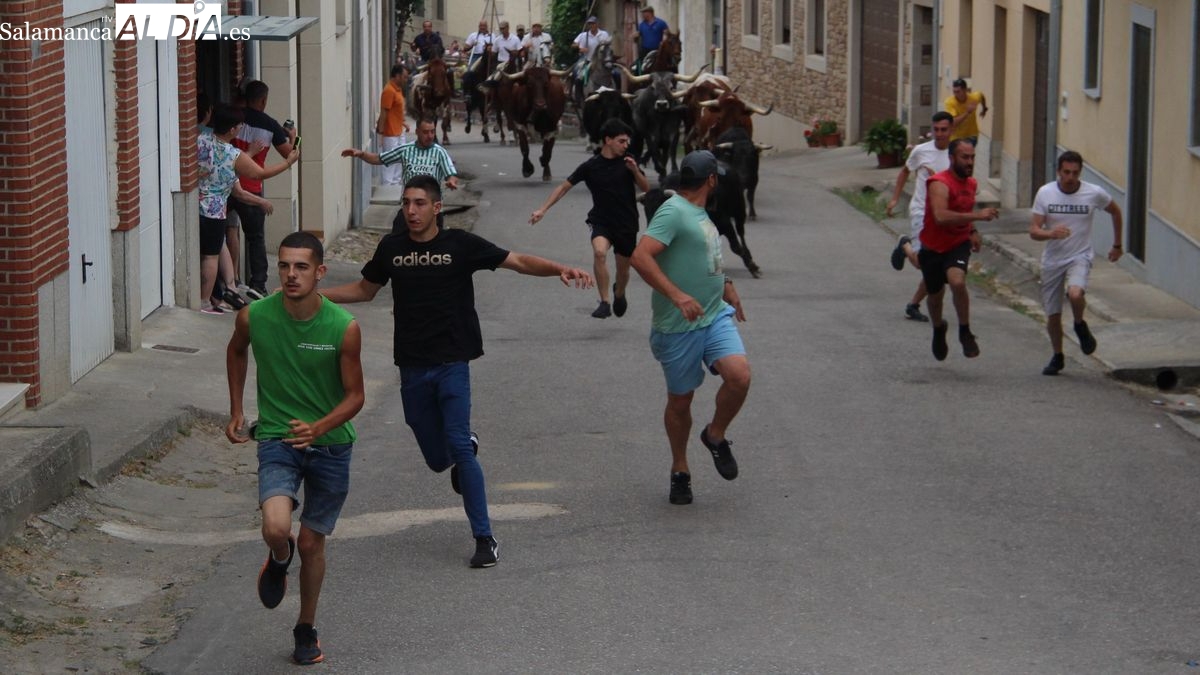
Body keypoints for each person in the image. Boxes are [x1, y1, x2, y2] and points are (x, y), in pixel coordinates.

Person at [319, 175, 594, 568]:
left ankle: (484, 537)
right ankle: (463, 445)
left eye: (419, 204)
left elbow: (515, 260)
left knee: (461, 450)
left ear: (437, 208)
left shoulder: (460, 246)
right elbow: (365, 290)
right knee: (437, 459)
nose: (411, 211)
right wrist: (315, 294)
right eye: (406, 203)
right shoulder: (392, 248)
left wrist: (558, 269)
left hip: (452, 363)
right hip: (412, 366)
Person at [225, 231, 365, 666]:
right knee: (275, 526)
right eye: (284, 265)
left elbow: (355, 396)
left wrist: (319, 427)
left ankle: (306, 627)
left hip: (331, 446)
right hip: (278, 439)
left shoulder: (343, 327)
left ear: (320, 272)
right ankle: (277, 557)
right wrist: (236, 410)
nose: (290, 275)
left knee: (311, 544)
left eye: (301, 267)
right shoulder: (255, 316)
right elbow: (236, 352)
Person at [630, 150, 751, 506]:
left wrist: (726, 281)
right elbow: (640, 256)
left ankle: (715, 435)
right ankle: (680, 470)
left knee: (739, 375)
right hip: (677, 325)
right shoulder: (673, 210)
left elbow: (703, 257)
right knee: (680, 402)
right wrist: (677, 296)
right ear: (711, 180)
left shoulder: (699, 214)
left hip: (714, 314)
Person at [531, 119, 649, 319]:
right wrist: (542, 209)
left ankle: (619, 292)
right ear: (608, 140)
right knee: (600, 253)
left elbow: (646, 188)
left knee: (623, 270)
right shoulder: (591, 166)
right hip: (601, 220)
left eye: (627, 142)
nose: (626, 145)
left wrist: (635, 171)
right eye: (621, 141)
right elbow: (564, 187)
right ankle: (604, 302)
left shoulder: (629, 162)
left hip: (626, 223)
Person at [1028, 150, 1124, 375]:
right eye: (1066, 172)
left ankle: (1080, 323)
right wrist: (1050, 234)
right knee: (1053, 314)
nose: (1070, 177)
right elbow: (1033, 230)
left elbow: (1115, 211)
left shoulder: (1093, 193)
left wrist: (1117, 245)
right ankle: (1057, 356)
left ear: (1080, 172)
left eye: (1075, 173)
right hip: (1053, 258)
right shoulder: (1045, 193)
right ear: (1058, 171)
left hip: (1080, 255)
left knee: (1075, 294)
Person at [199, 104, 297, 315]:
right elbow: (268, 168)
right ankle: (246, 288)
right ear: (233, 129)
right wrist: (296, 139)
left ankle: (231, 288)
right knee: (233, 247)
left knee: (222, 243)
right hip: (223, 202)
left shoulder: (201, 138)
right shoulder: (238, 149)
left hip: (204, 201)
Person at [919, 139, 999, 360]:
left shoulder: (971, 184)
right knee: (935, 297)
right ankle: (938, 329)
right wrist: (977, 217)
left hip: (957, 244)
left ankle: (965, 331)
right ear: (952, 158)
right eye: (965, 157)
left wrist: (972, 230)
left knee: (957, 281)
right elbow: (941, 216)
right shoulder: (939, 183)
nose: (970, 162)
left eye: (972, 157)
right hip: (933, 247)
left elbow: (963, 209)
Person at [229, 80, 297, 299]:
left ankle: (228, 280)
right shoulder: (270, 125)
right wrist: (295, 137)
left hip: (227, 185)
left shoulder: (233, 117)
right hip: (251, 188)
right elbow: (291, 155)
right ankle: (258, 283)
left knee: (227, 231)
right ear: (264, 101)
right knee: (255, 237)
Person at [885, 111, 954, 323]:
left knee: (939, 268)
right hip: (921, 212)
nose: (939, 134)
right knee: (923, 263)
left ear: (951, 130)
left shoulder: (957, 153)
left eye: (944, 130)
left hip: (944, 215)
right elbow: (905, 171)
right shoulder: (921, 151)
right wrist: (895, 198)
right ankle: (905, 244)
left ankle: (913, 305)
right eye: (936, 130)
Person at [342, 116, 459, 229]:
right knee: (399, 241)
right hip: (409, 209)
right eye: (425, 132)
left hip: (431, 212)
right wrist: (361, 154)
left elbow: (451, 174)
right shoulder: (406, 150)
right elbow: (380, 158)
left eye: (432, 132)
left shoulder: (440, 152)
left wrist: (451, 182)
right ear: (417, 132)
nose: (430, 136)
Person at [377, 65, 411, 187]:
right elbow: (384, 112)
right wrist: (380, 133)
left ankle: (396, 184)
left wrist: (403, 123)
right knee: (390, 161)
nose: (406, 80)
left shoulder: (397, 89)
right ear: (397, 76)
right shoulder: (389, 90)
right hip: (390, 133)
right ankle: (387, 185)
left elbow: (394, 111)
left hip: (398, 131)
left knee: (400, 159)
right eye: (404, 77)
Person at [944, 77, 988, 143]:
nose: (955, 94)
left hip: (972, 135)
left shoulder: (973, 98)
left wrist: (984, 109)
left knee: (967, 152)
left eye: (958, 92)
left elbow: (981, 96)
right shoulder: (950, 102)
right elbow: (953, 122)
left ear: (965, 90)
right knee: (958, 152)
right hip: (956, 136)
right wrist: (967, 112)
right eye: (954, 92)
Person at [572, 16, 611, 83]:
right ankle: (578, 92)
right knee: (577, 75)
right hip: (587, 61)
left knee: (616, 74)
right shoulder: (583, 35)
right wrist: (579, 48)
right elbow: (573, 45)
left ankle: (618, 90)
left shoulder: (604, 34)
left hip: (602, 62)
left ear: (597, 24)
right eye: (589, 24)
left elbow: (609, 47)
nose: (591, 25)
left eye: (593, 23)